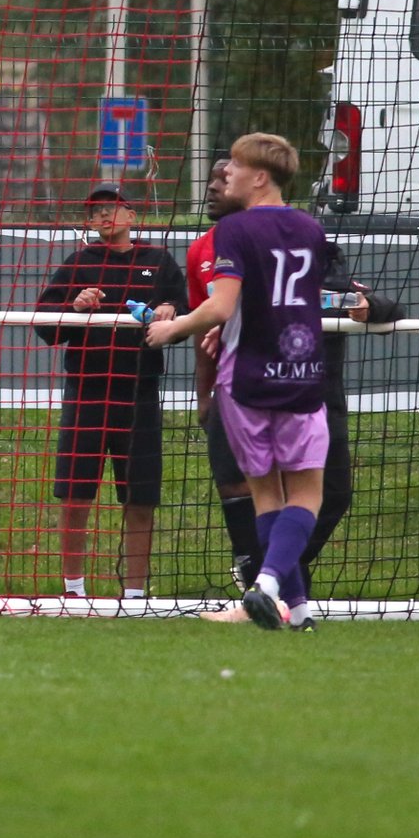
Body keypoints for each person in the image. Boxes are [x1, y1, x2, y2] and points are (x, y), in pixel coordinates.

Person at [186, 157, 402, 625]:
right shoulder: (210, 247)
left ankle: (273, 586)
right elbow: (212, 316)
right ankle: (273, 594)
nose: (218, 185)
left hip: (310, 389)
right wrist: (203, 390)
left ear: (258, 179)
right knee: (254, 492)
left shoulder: (305, 238)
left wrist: (369, 305)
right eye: (215, 177)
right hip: (244, 388)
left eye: (227, 175)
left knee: (321, 494)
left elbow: (363, 298)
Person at [148, 133, 330, 631]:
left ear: (260, 177)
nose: (226, 171)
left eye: (235, 164)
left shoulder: (234, 229)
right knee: (305, 495)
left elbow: (222, 306)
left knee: (268, 496)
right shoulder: (311, 229)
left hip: (246, 378)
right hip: (300, 373)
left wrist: (173, 329)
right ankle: (297, 609)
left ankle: (270, 589)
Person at [35, 182, 185, 600]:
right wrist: (74, 308)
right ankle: (73, 590)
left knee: (140, 497)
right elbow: (45, 325)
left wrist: (172, 311)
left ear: (131, 216)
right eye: (95, 211)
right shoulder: (78, 263)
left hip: (139, 394)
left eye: (112, 208)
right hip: (86, 393)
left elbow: (186, 314)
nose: (103, 216)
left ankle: (134, 595)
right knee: (74, 494)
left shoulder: (158, 261)